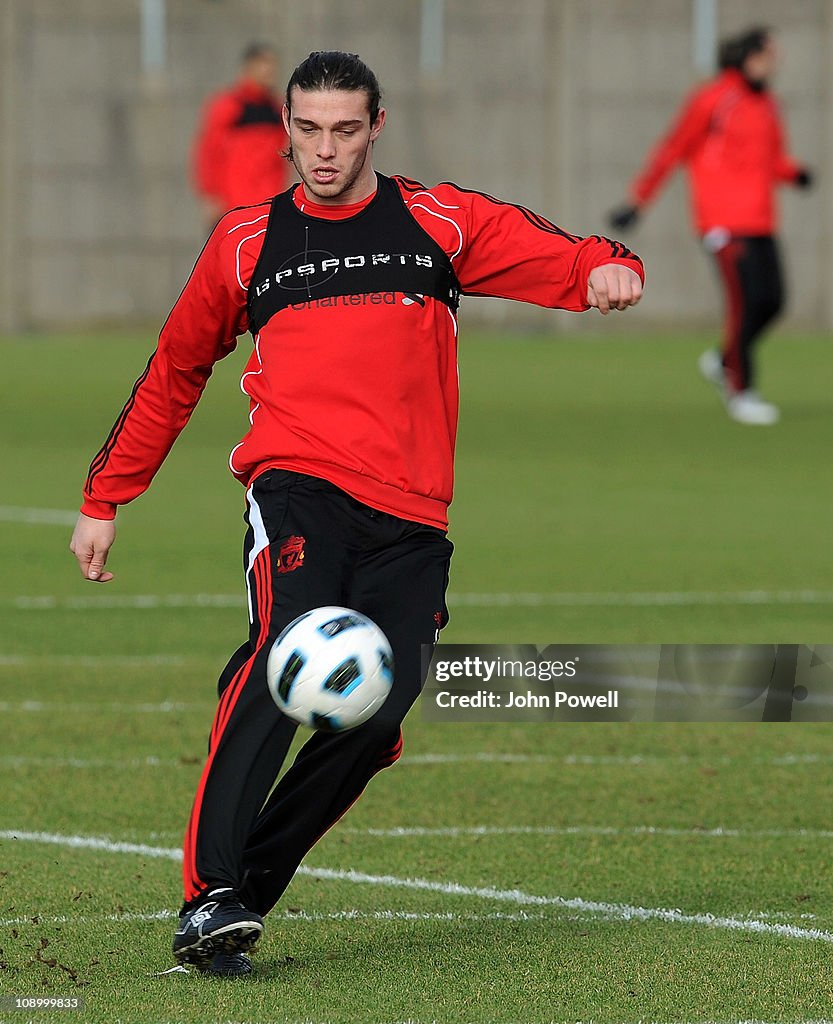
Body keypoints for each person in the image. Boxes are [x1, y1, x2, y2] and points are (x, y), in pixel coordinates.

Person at [70, 51, 644, 977]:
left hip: (413, 514)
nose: (324, 150)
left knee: (372, 719)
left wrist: (610, 270)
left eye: (344, 130)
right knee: (282, 649)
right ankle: (210, 888)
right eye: (307, 130)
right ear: (286, 128)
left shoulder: (439, 220)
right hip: (297, 484)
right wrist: (107, 497)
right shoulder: (246, 242)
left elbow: (572, 255)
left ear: (377, 126)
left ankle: (241, 894)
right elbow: (175, 368)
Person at [609, 26, 812, 425]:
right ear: (748, 55)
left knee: (773, 302)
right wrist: (638, 201)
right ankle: (742, 390)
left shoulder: (768, 104)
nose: (775, 62)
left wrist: (795, 174)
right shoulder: (714, 99)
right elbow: (673, 149)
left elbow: (771, 159)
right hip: (722, 221)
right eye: (768, 54)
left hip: (761, 220)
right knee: (744, 303)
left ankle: (722, 361)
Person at [191, 41, 291, 228]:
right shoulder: (228, 105)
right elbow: (208, 152)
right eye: (264, 64)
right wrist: (210, 195)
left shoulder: (277, 109)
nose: (269, 70)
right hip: (234, 205)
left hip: (269, 205)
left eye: (272, 64)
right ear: (249, 67)